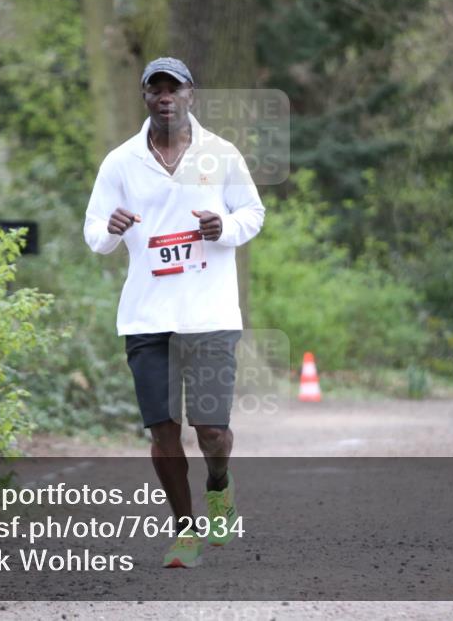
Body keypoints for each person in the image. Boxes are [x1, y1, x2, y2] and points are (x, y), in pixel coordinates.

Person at [83, 57, 265, 567]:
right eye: (155, 89)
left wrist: (223, 228)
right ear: (144, 98)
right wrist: (113, 229)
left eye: (174, 88)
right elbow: (95, 234)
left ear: (192, 95)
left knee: (211, 430)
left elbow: (253, 212)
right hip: (147, 317)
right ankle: (185, 531)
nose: (165, 97)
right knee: (163, 430)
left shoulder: (221, 154)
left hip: (209, 314)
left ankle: (219, 486)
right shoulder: (120, 162)